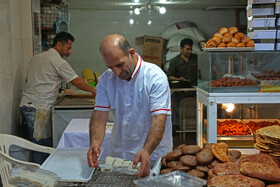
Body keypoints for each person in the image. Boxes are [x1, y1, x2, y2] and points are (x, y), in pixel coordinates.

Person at [87, 34, 172, 178]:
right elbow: (99, 116)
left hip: (151, 156)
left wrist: (146, 150)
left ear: (131, 53)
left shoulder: (155, 77)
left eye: (120, 65)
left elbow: (159, 119)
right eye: (110, 67)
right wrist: (95, 143)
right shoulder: (106, 80)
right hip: (119, 155)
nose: (116, 72)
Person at [20, 32, 96, 164]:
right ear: (59, 44)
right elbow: (76, 81)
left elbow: (32, 81)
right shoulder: (58, 61)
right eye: (68, 48)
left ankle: (39, 176)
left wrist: (60, 90)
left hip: (27, 105)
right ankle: (41, 180)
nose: (70, 52)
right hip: (39, 108)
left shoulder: (36, 58)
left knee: (35, 146)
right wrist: (94, 91)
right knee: (41, 148)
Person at [167, 38, 198, 132]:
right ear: (181, 49)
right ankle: (175, 125)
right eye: (187, 49)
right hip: (181, 90)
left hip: (195, 89)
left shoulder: (196, 58)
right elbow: (169, 76)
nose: (189, 51)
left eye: (191, 49)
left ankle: (204, 125)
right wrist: (178, 79)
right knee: (173, 101)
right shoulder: (175, 61)